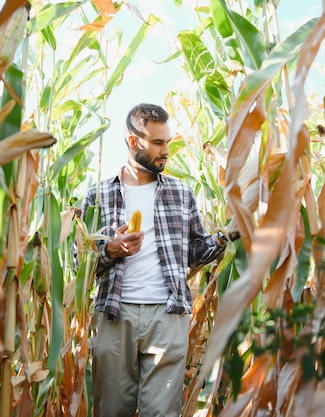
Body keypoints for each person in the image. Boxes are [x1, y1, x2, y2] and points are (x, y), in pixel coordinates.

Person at [81, 103, 229, 417]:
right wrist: (111, 249)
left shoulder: (181, 193)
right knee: (110, 410)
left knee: (162, 413)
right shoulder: (97, 196)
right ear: (134, 142)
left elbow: (195, 255)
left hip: (168, 315)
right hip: (113, 315)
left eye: (168, 143)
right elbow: (78, 262)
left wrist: (227, 235)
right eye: (158, 143)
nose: (166, 151)